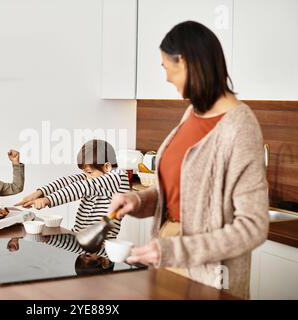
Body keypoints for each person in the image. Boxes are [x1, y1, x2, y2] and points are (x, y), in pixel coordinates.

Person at [108, 21, 269, 299]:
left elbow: (253, 227)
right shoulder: (193, 113)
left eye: (165, 66)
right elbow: (177, 192)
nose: (167, 77)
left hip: (207, 274)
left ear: (183, 61)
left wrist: (174, 251)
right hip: (168, 259)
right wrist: (139, 200)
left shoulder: (240, 127)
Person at [16, 139, 130, 239]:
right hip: (80, 236)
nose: (87, 177)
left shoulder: (117, 177)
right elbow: (70, 181)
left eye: (89, 173)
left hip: (102, 244)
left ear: (107, 167)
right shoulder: (96, 176)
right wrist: (40, 192)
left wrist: (47, 200)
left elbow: (82, 187)